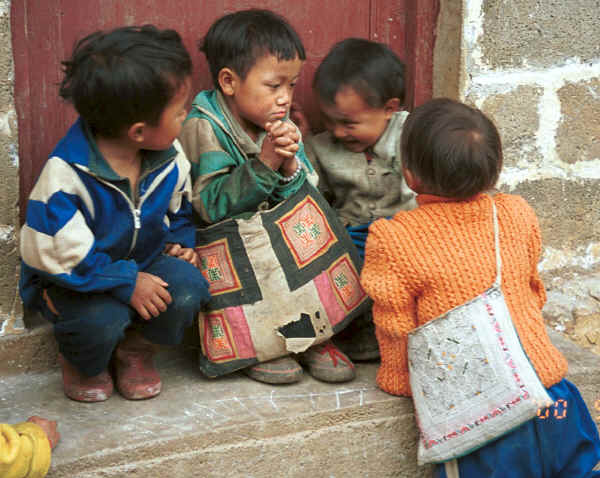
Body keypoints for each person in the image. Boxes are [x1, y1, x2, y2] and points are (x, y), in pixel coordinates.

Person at [360, 98, 600, 477]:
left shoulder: (394, 239)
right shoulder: (517, 213)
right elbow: (534, 292)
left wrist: (399, 380)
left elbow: (395, 326)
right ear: (493, 171)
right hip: (555, 400)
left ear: (409, 175)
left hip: (487, 418)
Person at [19, 25, 211, 403]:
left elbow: (180, 209)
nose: (186, 116)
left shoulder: (169, 159)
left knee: (189, 288)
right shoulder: (66, 177)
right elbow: (59, 255)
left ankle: (135, 349)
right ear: (139, 131)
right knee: (100, 321)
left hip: (145, 260)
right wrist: (126, 281)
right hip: (78, 278)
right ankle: (82, 361)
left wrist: (179, 243)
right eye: (179, 110)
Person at [179, 9, 355, 385]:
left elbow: (306, 188)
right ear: (229, 81)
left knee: (306, 246)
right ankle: (260, 348)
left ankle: (306, 339)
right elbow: (208, 205)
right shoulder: (204, 126)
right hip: (232, 247)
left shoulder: (279, 121)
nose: (286, 98)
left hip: (277, 244)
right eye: (274, 85)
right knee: (254, 283)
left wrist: (289, 166)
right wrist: (265, 164)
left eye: (291, 86)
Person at [295, 38, 417, 361]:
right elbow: (312, 195)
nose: (337, 132)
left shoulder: (410, 136)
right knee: (340, 270)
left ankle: (402, 331)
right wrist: (302, 146)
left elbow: (419, 195)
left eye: (348, 123)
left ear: (390, 109)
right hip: (351, 234)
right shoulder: (321, 147)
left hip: (404, 233)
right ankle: (355, 330)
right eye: (330, 120)